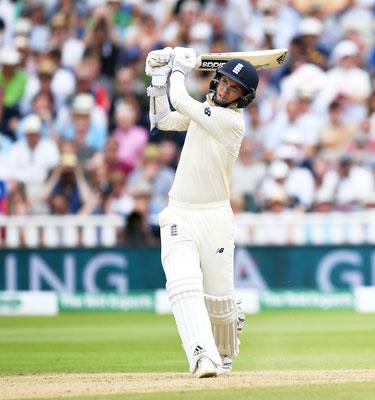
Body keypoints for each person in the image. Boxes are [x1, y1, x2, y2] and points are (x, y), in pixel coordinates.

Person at [145, 47, 259, 378]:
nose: (224, 90)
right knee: (182, 283)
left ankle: (223, 348)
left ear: (242, 98)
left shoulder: (230, 122)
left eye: (233, 88)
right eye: (222, 82)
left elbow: (180, 102)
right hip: (179, 211)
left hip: (215, 218)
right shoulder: (205, 109)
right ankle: (200, 355)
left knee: (219, 304)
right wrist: (156, 79)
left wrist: (176, 70)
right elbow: (164, 118)